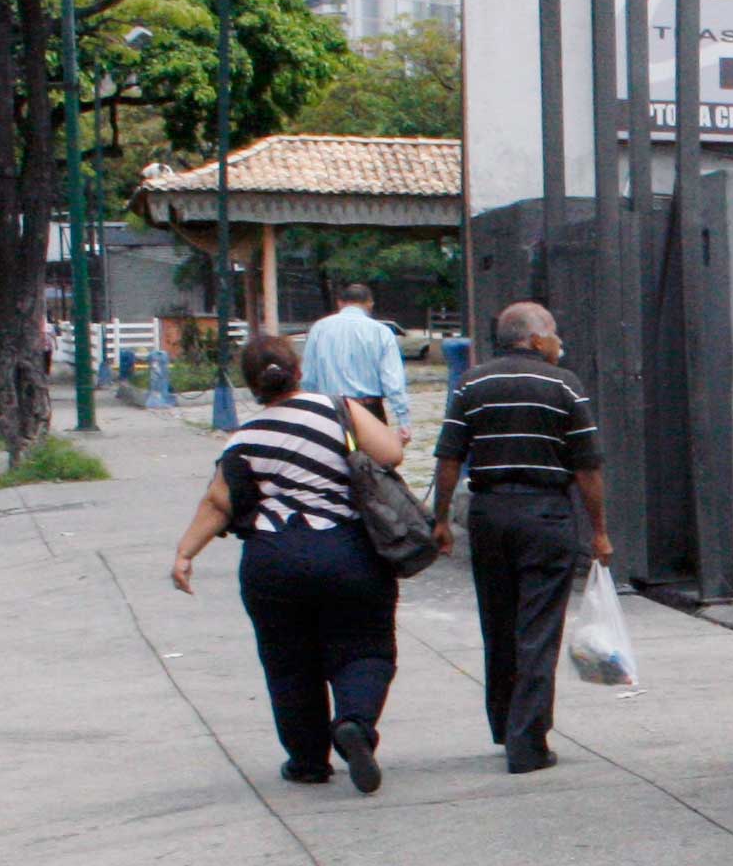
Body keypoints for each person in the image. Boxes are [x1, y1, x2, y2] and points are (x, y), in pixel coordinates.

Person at [169, 333, 411, 794]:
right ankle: (355, 724)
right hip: (346, 551)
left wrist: (185, 553)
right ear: (298, 370)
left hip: (271, 559)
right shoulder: (336, 408)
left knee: (287, 661)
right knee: (365, 647)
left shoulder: (245, 438)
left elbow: (219, 501)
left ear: (252, 385)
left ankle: (306, 761)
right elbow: (391, 454)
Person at [427, 302, 611, 775]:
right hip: (545, 514)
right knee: (538, 630)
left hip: (488, 514)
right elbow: (587, 467)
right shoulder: (564, 384)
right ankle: (527, 742)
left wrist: (442, 519)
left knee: (500, 625)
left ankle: (505, 724)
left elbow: (449, 457)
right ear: (534, 338)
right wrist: (600, 532)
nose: (558, 343)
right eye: (553, 334)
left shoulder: (472, 383)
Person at [298, 281, 413, 429]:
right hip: (368, 409)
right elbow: (392, 381)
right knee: (374, 452)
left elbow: (308, 378)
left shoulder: (319, 329)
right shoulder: (381, 332)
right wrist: (403, 420)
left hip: (330, 410)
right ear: (370, 303)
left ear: (340, 303)